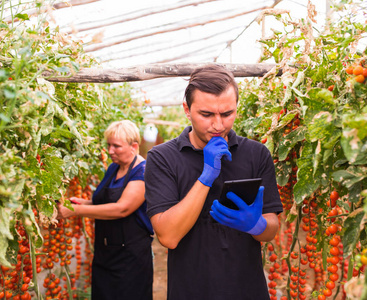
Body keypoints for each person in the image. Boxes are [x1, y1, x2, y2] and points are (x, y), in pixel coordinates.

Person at [145, 64, 283, 300]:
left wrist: (256, 225)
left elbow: (271, 228)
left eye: (227, 114)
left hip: (247, 289)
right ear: (187, 110)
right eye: (207, 115)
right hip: (191, 291)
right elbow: (168, 237)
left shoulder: (257, 154)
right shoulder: (162, 158)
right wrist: (206, 176)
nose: (218, 125)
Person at [57, 120, 154, 300]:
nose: (110, 151)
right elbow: (104, 201)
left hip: (130, 258)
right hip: (105, 253)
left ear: (133, 146)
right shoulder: (113, 168)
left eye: (116, 146)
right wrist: (81, 203)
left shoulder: (143, 172)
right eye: (108, 145)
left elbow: (122, 209)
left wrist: (76, 212)